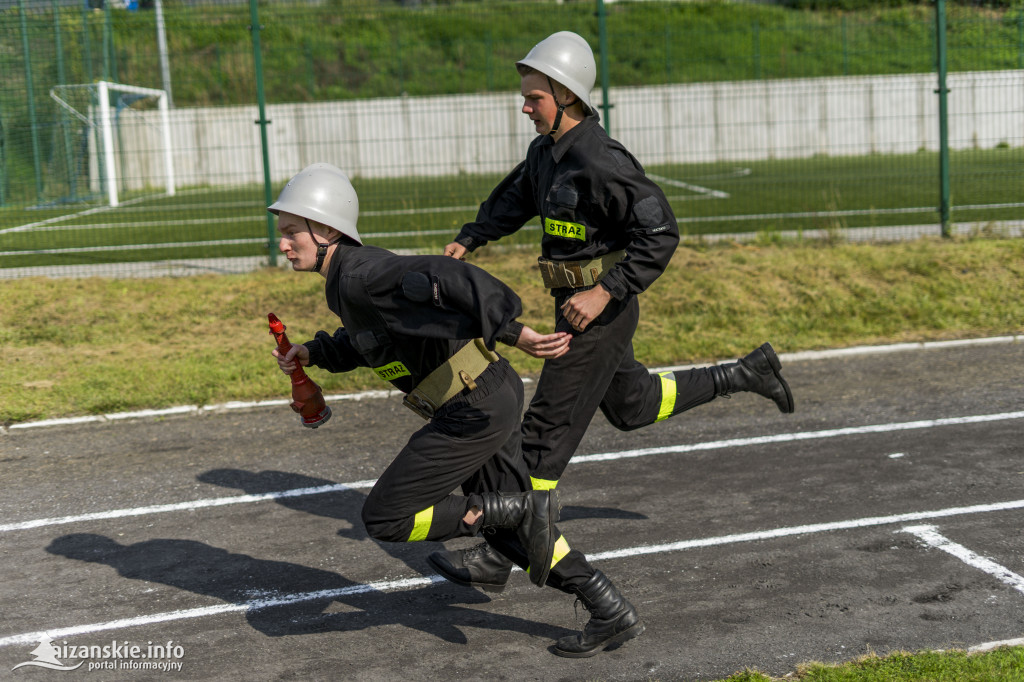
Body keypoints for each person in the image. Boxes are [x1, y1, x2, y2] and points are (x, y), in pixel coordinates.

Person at [432, 31, 795, 591]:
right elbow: (512, 201)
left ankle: (499, 558)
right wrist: (469, 239)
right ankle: (744, 373)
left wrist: (606, 291)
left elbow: (660, 231)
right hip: (572, 308)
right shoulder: (545, 155)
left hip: (599, 313)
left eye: (535, 99)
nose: (525, 107)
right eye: (526, 97)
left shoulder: (602, 160)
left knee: (539, 441)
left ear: (567, 97)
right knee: (633, 404)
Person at [268, 162, 645, 657]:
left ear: (327, 229)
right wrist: (315, 353)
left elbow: (448, 275)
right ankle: (608, 607)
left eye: (292, 232)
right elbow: (372, 343)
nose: (283, 244)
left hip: (474, 405)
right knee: (516, 535)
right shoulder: (346, 282)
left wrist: (514, 330)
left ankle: (509, 508)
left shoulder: (362, 274)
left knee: (386, 517)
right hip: (485, 396)